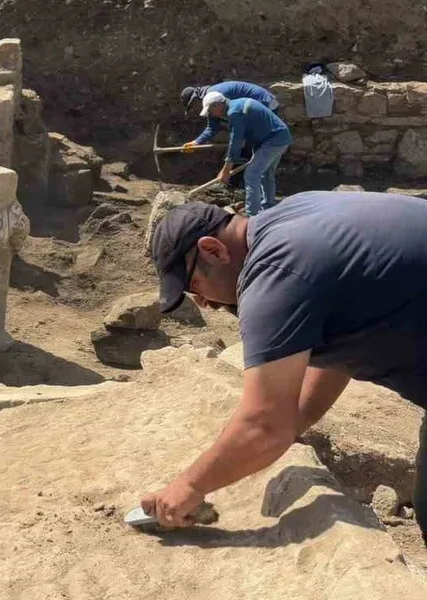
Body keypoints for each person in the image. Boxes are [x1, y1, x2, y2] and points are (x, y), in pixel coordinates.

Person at [142, 191, 427, 544]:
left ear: (213, 250)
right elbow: (339, 351)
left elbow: (263, 426)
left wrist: (190, 485)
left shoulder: (273, 275)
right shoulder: (291, 216)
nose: (203, 302)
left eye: (193, 286)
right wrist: (294, 423)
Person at [200, 91, 291, 215]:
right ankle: (268, 207)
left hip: (274, 140)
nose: (211, 115)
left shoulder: (235, 112)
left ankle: (251, 215)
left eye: (210, 111)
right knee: (266, 173)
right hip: (278, 137)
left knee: (251, 174)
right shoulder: (238, 104)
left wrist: (226, 170)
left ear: (217, 105)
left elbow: (236, 141)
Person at [181, 81, 279, 151]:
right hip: (257, 108)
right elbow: (212, 127)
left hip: (265, 103)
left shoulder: (216, 96)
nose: (195, 109)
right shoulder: (210, 103)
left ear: (195, 99)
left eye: (193, 106)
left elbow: (237, 122)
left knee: (259, 146)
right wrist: (196, 142)